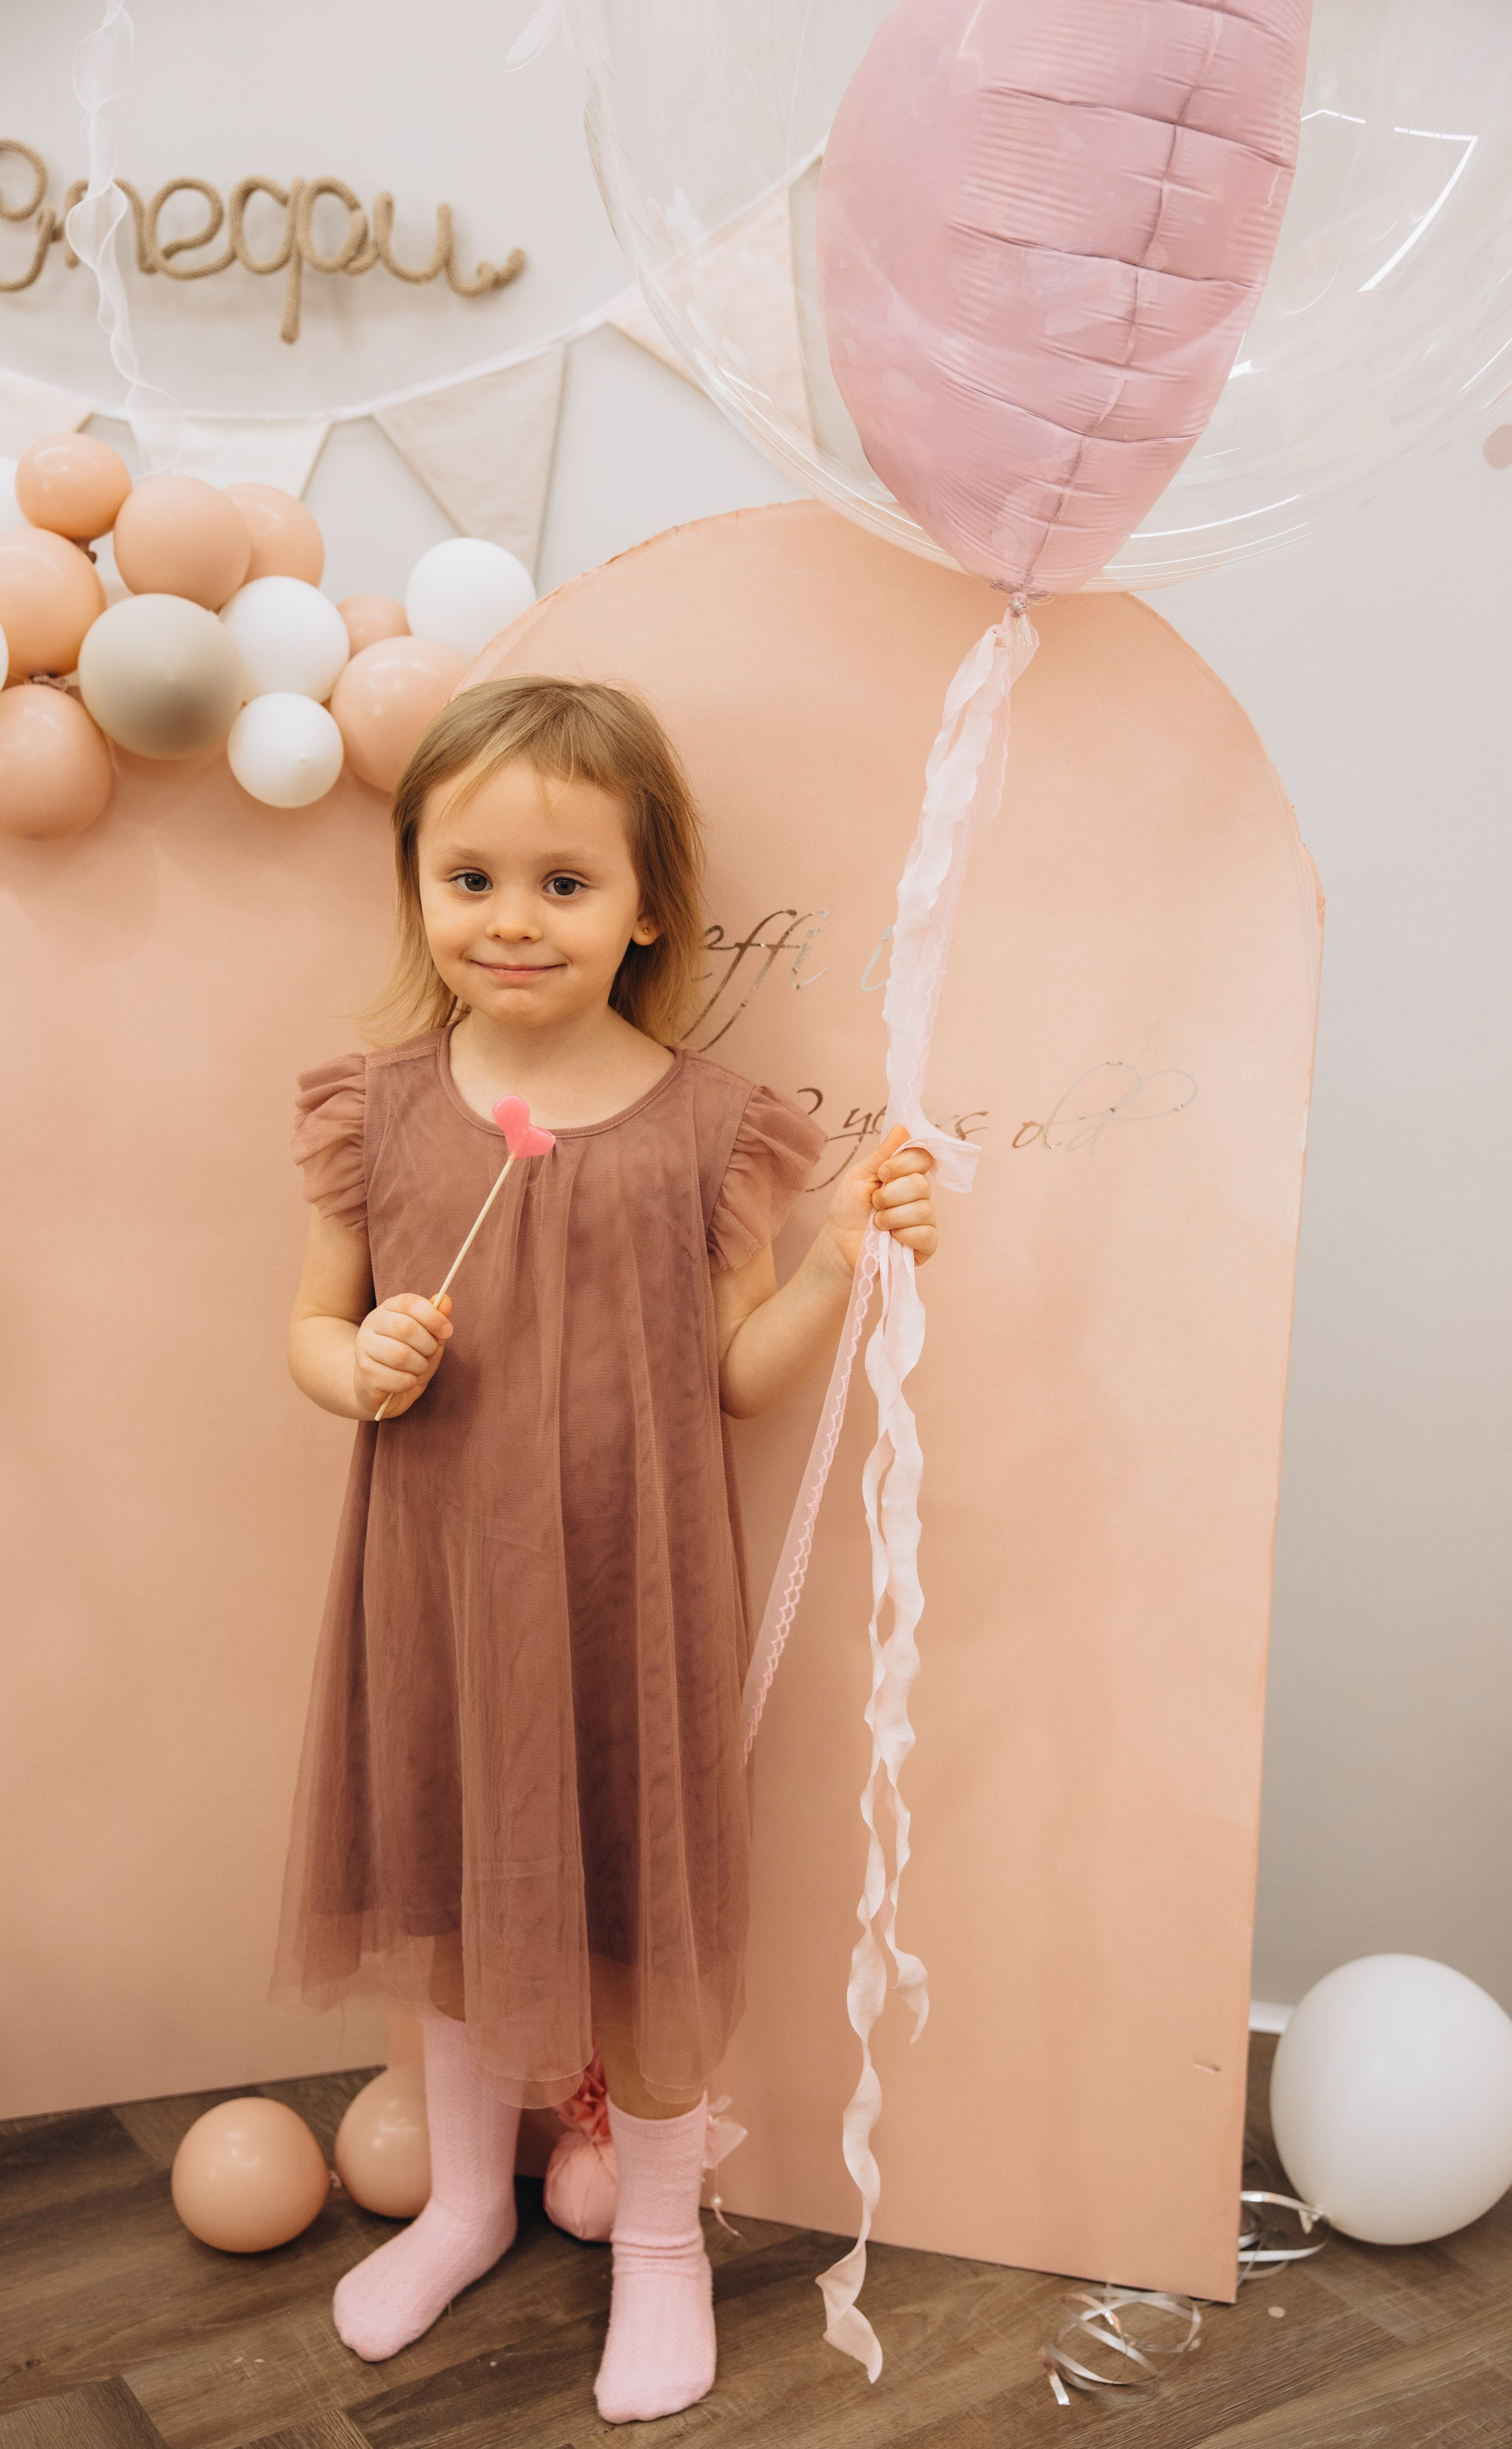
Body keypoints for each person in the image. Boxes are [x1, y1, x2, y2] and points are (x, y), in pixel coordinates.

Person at [276, 677, 939, 2423]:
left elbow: (737, 1376)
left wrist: (838, 1262)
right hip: (436, 1590)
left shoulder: (710, 1127)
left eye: (564, 884)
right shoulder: (379, 1110)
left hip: (631, 1602)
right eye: (469, 878)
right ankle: (470, 2204)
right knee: (453, 1886)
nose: (512, 920)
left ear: (648, 907)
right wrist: (359, 1363)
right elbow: (311, 1329)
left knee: (642, 1918)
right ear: (418, 887)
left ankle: (657, 2242)